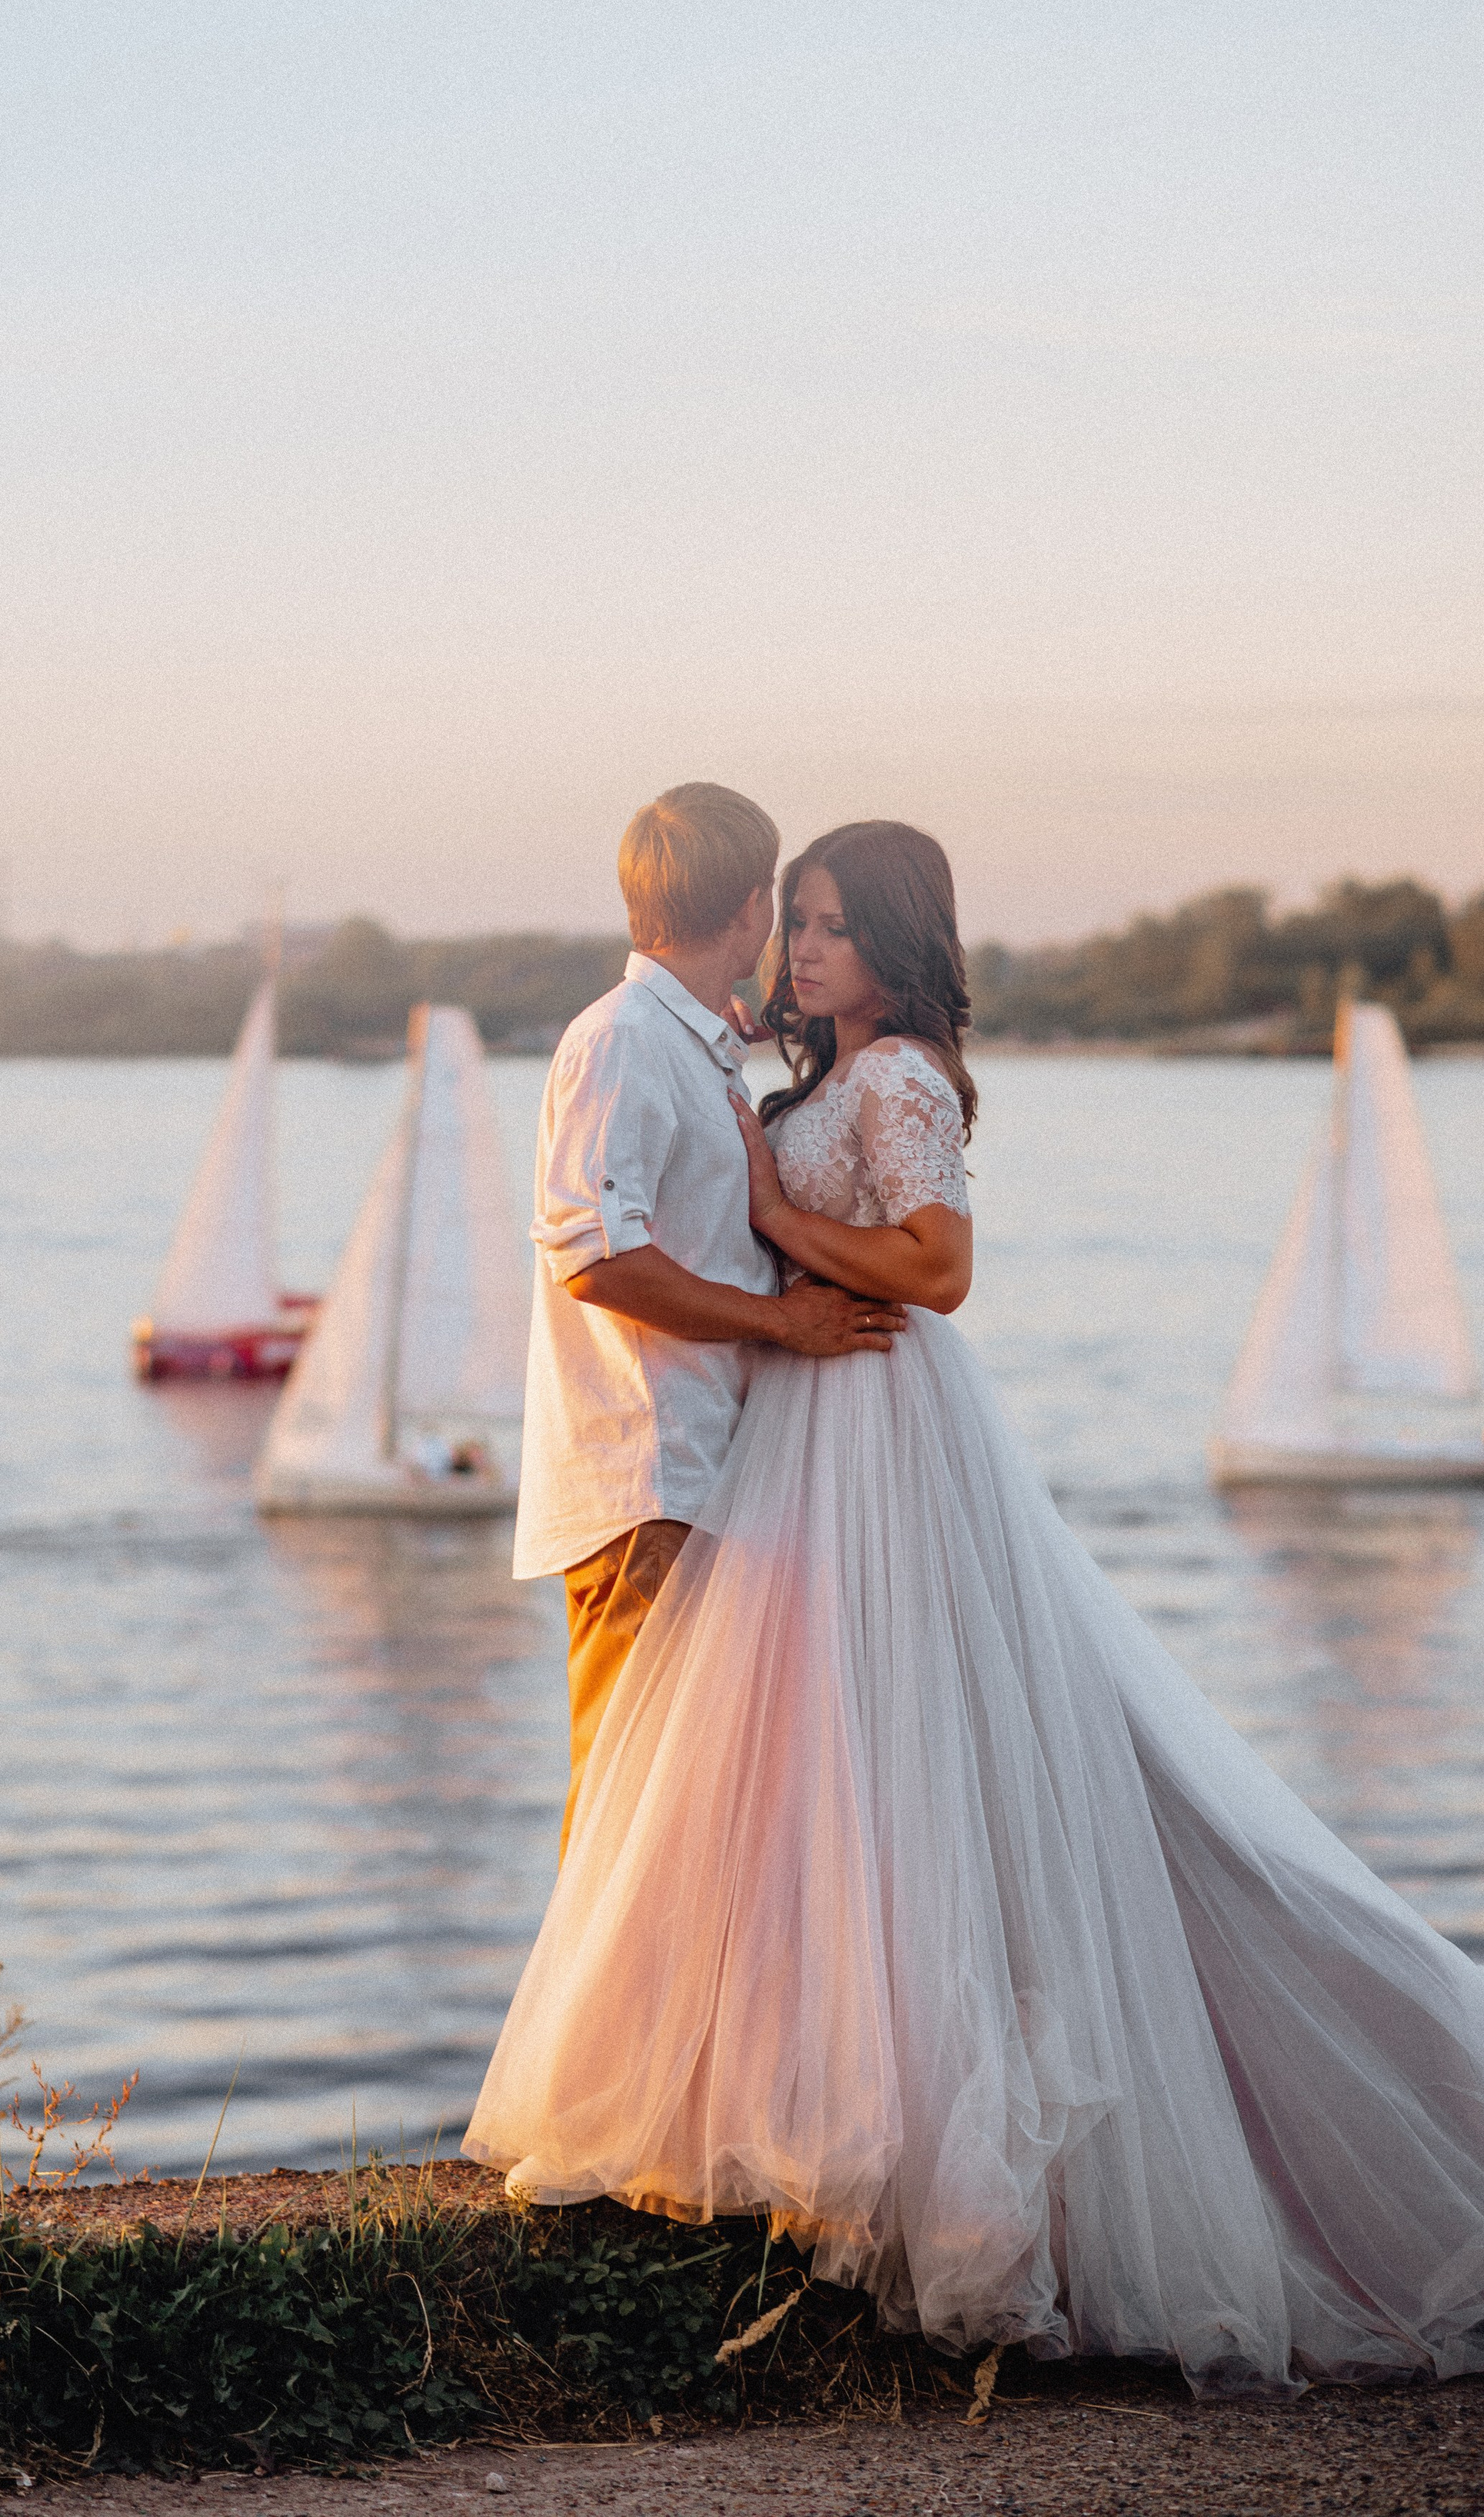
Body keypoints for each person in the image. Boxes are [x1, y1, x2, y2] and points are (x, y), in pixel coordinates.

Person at [467, 819, 1484, 2397]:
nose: (799, 955)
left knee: (903, 1770)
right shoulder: (785, 1074)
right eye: (788, 925)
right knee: (800, 1781)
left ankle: (883, 2139)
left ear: (891, 940)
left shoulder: (894, 1080)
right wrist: (769, 1211)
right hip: (801, 1436)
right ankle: (773, 2111)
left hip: (871, 1419)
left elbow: (934, 1268)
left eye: (826, 930)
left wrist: (779, 1227)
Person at [514, 783, 905, 1858]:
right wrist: (779, 1324)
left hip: (702, 1472)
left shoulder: (689, 1041)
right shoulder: (623, 1041)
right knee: (631, 1823)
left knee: (693, 1822)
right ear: (747, 910)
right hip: (645, 1482)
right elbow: (592, 1253)